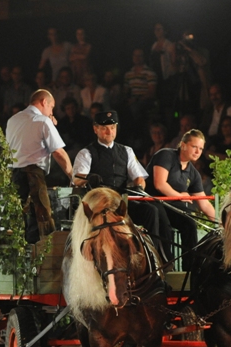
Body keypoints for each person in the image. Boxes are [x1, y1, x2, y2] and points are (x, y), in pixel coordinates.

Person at [72, 110, 173, 264]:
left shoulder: (126, 151)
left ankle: (154, 257)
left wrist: (139, 185)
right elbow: (76, 179)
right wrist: (88, 178)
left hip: (121, 201)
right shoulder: (86, 153)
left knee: (152, 211)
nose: (109, 131)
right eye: (105, 128)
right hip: (100, 205)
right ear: (95, 129)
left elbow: (139, 177)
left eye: (112, 127)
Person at [6, 90, 73, 243]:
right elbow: (58, 152)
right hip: (33, 175)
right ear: (44, 102)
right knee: (41, 220)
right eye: (51, 107)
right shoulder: (42, 121)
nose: (52, 112)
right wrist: (72, 176)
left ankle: (19, 257)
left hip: (14, 175)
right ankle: (43, 261)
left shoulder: (12, 120)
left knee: (17, 220)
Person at [146, 129, 216, 267]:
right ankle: (166, 263)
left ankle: (190, 268)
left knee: (189, 223)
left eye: (201, 148)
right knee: (163, 221)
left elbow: (204, 203)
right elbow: (159, 184)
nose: (198, 151)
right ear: (183, 145)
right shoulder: (165, 155)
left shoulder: (193, 173)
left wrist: (220, 224)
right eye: (194, 147)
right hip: (152, 200)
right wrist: (180, 196)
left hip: (171, 206)